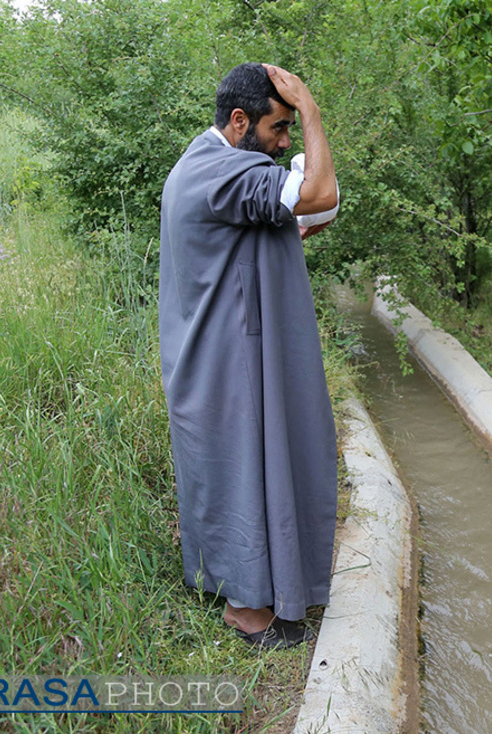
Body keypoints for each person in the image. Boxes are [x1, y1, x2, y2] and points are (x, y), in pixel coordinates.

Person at [158, 63, 339, 650]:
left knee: (251, 469)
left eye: (291, 127)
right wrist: (310, 107)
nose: (285, 140)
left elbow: (316, 210)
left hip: (225, 351)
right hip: (220, 360)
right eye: (279, 127)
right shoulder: (220, 171)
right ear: (240, 122)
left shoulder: (214, 163)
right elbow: (321, 192)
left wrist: (291, 214)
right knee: (239, 473)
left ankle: (261, 589)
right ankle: (244, 608)